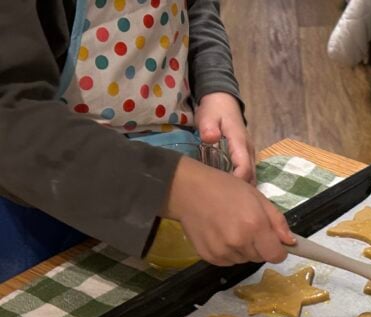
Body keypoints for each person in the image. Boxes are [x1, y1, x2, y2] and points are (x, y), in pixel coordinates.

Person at [0, 0, 293, 282]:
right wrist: (172, 184)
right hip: (40, 208)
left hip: (175, 181)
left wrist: (215, 86)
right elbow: (11, 119)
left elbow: (196, 8)